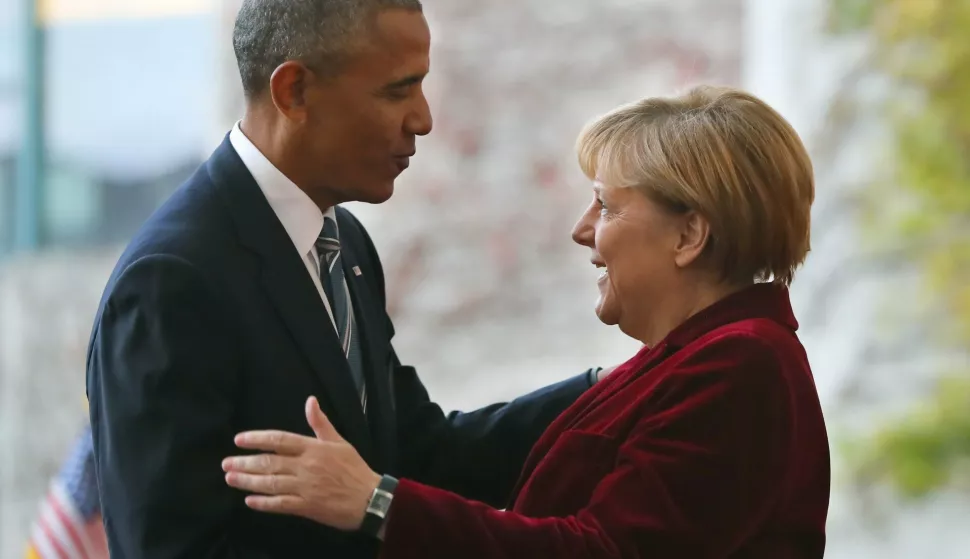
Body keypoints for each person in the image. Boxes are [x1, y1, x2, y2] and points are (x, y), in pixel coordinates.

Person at [85, 1, 611, 557]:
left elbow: (417, 456)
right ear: (295, 92)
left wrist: (608, 390)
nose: (424, 119)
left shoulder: (344, 243)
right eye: (396, 90)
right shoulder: (172, 281)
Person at [222, 85, 832, 558]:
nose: (583, 230)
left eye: (607, 205)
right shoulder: (698, 359)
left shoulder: (741, 367)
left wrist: (377, 505)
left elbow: (603, 551)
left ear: (689, 234)